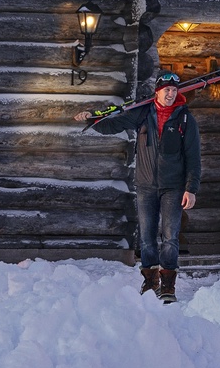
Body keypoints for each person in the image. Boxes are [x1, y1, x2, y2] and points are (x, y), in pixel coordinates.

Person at [74, 71, 200, 303]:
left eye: (174, 90)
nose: (171, 94)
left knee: (171, 237)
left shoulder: (185, 119)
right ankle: (150, 281)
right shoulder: (143, 113)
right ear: (158, 91)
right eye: (166, 90)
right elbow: (113, 125)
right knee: (147, 238)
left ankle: (168, 286)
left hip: (173, 187)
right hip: (145, 186)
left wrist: (191, 188)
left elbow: (193, 156)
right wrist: (92, 119)